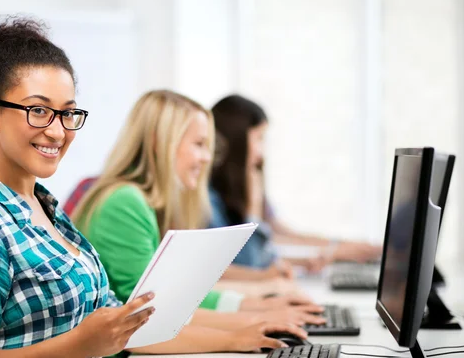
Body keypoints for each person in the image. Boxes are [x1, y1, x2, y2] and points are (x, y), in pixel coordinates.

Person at [0, 17, 156, 358]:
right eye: (39, 110)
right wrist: (80, 345)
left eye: (67, 114)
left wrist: (244, 335)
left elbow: (119, 325)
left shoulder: (45, 211)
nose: (58, 132)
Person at [71, 90, 324, 354]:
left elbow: (180, 300)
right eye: (199, 144)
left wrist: (257, 307)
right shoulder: (123, 202)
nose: (207, 158)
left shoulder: (144, 202)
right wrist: (248, 324)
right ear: (161, 142)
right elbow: (152, 314)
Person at [209, 94, 381, 278]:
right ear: (237, 141)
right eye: (259, 138)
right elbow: (250, 260)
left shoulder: (245, 184)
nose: (262, 152)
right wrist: (253, 208)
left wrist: (338, 246)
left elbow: (275, 234)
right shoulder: (212, 201)